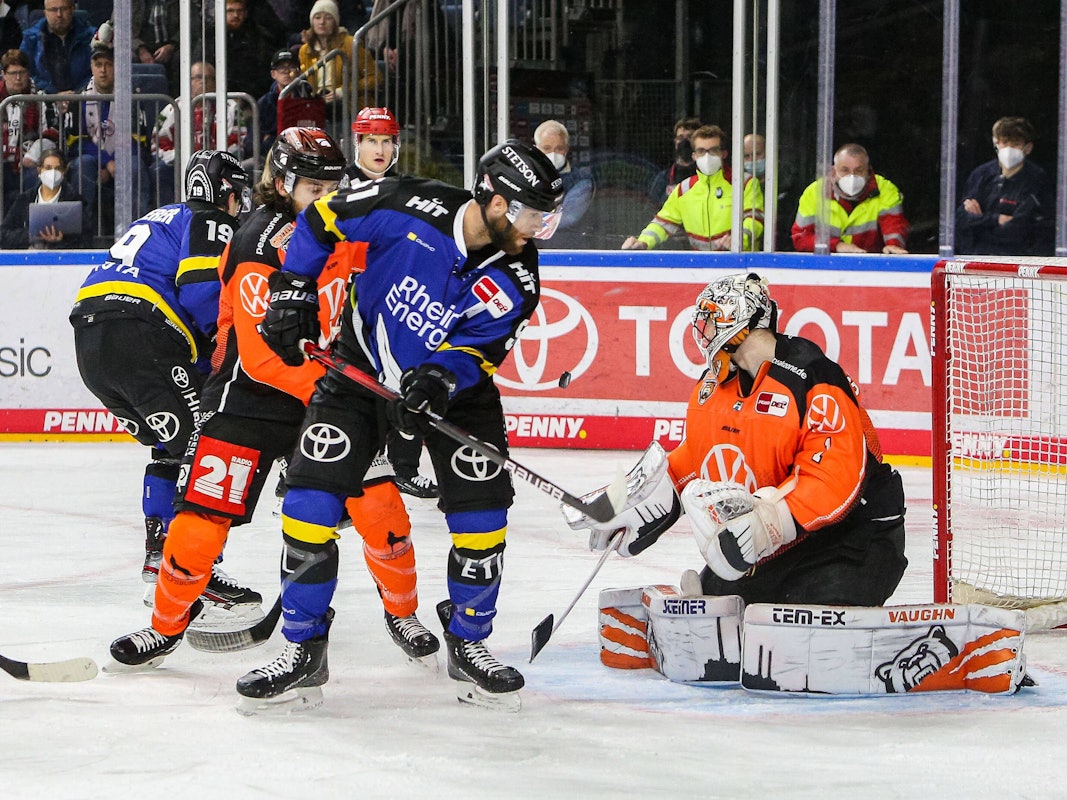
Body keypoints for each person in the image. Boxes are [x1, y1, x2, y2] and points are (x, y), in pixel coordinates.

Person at [236, 139, 564, 713]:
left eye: (545, 217)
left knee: (482, 513)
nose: (537, 228)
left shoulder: (521, 271)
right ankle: (302, 648)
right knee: (309, 503)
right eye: (528, 213)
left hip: (455, 396)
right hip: (358, 373)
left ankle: (469, 638)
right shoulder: (406, 202)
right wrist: (294, 292)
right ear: (491, 198)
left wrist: (439, 378)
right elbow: (319, 219)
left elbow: (479, 348)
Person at [108, 127, 440, 673]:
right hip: (249, 398)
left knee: (382, 511)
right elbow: (265, 358)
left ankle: (402, 612)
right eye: (313, 185)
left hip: (325, 393)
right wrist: (345, 395)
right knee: (199, 521)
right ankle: (163, 627)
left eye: (332, 184)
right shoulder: (257, 239)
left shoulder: (337, 226)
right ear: (282, 182)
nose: (325, 195)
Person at [566, 272, 908, 608]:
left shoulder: (813, 375)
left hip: (853, 539)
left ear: (740, 321)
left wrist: (767, 523)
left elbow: (836, 476)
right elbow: (696, 457)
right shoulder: (715, 385)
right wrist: (634, 498)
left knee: (799, 622)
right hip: (785, 544)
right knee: (719, 601)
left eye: (711, 320)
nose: (704, 331)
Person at [68, 150, 262, 618]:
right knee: (206, 446)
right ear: (227, 194)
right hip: (143, 332)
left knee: (170, 445)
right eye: (239, 197)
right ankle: (194, 568)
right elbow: (202, 296)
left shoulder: (161, 215)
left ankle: (161, 559)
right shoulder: (212, 220)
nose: (240, 207)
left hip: (93, 340)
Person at [342, 105, 439, 499]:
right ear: (358, 144)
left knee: (404, 380)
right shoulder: (337, 190)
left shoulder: (405, 192)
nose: (379, 149)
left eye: (386, 141)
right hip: (346, 304)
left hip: (395, 302)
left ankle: (403, 468)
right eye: (371, 141)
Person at [622, 124, 764, 252]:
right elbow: (662, 223)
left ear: (723, 154)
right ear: (694, 156)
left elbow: (754, 219)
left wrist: (740, 238)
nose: (707, 156)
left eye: (713, 150)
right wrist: (642, 242)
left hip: (739, 264)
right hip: (700, 267)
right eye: (701, 151)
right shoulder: (684, 189)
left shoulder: (744, 183)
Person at [65, 46, 152, 227]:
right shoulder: (80, 99)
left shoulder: (132, 98)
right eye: (98, 65)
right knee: (83, 165)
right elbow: (76, 142)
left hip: (125, 158)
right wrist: (105, 161)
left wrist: (117, 161)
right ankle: (83, 231)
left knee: (134, 166)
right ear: (91, 67)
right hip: (92, 160)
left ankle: (138, 230)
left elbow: (138, 140)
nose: (103, 70)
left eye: (108, 64)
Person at [151, 61, 249, 203]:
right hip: (181, 166)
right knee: (158, 171)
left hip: (219, 167)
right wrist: (183, 159)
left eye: (209, 78)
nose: (203, 81)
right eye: (198, 77)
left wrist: (214, 161)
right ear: (188, 81)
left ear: (216, 82)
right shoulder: (173, 109)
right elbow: (158, 145)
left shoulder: (230, 107)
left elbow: (237, 143)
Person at [955, 116, 1054, 257]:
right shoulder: (981, 175)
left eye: (1015, 144)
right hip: (976, 259)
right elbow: (961, 220)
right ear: (995, 143)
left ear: (1028, 148)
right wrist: (996, 220)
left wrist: (980, 221)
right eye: (1004, 143)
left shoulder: (1037, 180)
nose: (1008, 149)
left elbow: (1021, 230)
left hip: (1018, 263)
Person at [791, 143, 909, 254]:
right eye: (844, 170)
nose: (852, 176)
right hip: (826, 267)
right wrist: (837, 246)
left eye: (859, 170)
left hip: (869, 267)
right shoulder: (815, 192)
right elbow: (800, 238)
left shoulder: (885, 189)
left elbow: (894, 225)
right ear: (834, 170)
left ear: (868, 171)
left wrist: (894, 246)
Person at [298, 0, 379, 145]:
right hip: (319, 106)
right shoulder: (305, 50)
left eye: (328, 17)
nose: (322, 22)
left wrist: (343, 91)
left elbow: (375, 77)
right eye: (317, 18)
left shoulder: (350, 44)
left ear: (335, 21)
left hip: (348, 105)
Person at [0, 48, 61, 212]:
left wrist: (33, 153)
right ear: (4, 74)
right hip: (3, 164)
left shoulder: (41, 98)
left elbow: (53, 133)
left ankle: (33, 229)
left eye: (22, 72)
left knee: (40, 177)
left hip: (29, 164)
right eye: (13, 73)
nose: (18, 78)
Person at [0, 147, 90, 248]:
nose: (53, 172)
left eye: (57, 168)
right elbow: (4, 234)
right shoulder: (25, 199)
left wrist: (61, 241)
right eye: (48, 168)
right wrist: (32, 235)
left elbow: (86, 240)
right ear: (39, 170)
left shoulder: (75, 200)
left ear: (64, 171)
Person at [197, 0, 283, 100]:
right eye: (230, 11)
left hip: (250, 98)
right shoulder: (210, 37)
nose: (236, 15)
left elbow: (262, 73)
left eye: (239, 11)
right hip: (216, 97)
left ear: (245, 13)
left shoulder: (257, 37)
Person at [532, 118, 594, 245]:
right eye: (547, 148)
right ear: (536, 149)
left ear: (567, 149)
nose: (553, 154)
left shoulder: (581, 180)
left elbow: (569, 218)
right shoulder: (526, 177)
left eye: (559, 148)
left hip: (565, 253)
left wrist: (525, 220)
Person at [20, 0, 96, 94]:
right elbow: (27, 72)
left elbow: (95, 71)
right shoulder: (31, 39)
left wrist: (77, 94)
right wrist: (54, 94)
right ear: (45, 12)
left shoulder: (90, 37)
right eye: (53, 10)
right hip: (43, 100)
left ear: (72, 9)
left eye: (64, 9)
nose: (59, 14)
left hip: (84, 98)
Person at [256, 48, 312, 156]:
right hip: (270, 156)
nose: (286, 71)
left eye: (291, 66)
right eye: (281, 67)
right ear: (273, 74)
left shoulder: (308, 99)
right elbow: (254, 141)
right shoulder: (264, 103)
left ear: (299, 71)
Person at [131, 0, 182, 99]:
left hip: (173, 46)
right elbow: (120, 28)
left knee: (181, 59)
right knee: (128, 59)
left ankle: (178, 104)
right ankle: (134, 106)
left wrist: (171, 46)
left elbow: (192, 26)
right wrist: (140, 50)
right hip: (140, 47)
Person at [647, 116, 701, 203]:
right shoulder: (663, 179)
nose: (684, 141)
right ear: (675, 142)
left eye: (689, 137)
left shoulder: (707, 177)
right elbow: (651, 209)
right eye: (680, 137)